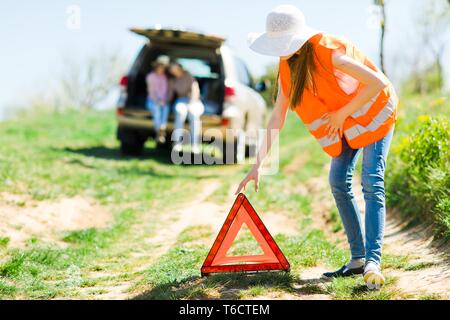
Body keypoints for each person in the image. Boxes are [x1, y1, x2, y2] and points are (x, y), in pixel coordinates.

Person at [236, 5, 398, 290]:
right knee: (337, 180)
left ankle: (373, 261)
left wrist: (342, 113)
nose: (279, 50)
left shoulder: (329, 52)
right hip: (346, 122)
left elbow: (378, 82)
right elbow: (277, 117)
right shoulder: (287, 68)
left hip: (375, 112)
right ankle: (358, 259)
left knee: (372, 181)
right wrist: (257, 165)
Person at [168, 62, 204, 154]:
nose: (173, 70)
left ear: (179, 68)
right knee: (180, 113)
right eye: (171, 69)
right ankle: (177, 144)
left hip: (194, 101)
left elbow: (195, 90)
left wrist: (191, 103)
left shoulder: (188, 76)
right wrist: (165, 103)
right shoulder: (172, 80)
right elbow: (170, 94)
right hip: (181, 100)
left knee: (193, 115)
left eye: (174, 68)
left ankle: (195, 145)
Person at [146, 56, 170, 144]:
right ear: (156, 67)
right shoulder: (150, 76)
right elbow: (151, 92)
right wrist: (158, 100)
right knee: (157, 110)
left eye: (163, 67)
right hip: (152, 100)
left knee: (166, 108)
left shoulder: (164, 77)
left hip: (163, 100)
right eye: (160, 67)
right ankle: (159, 131)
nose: (162, 69)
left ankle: (162, 127)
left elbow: (165, 91)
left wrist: (164, 100)